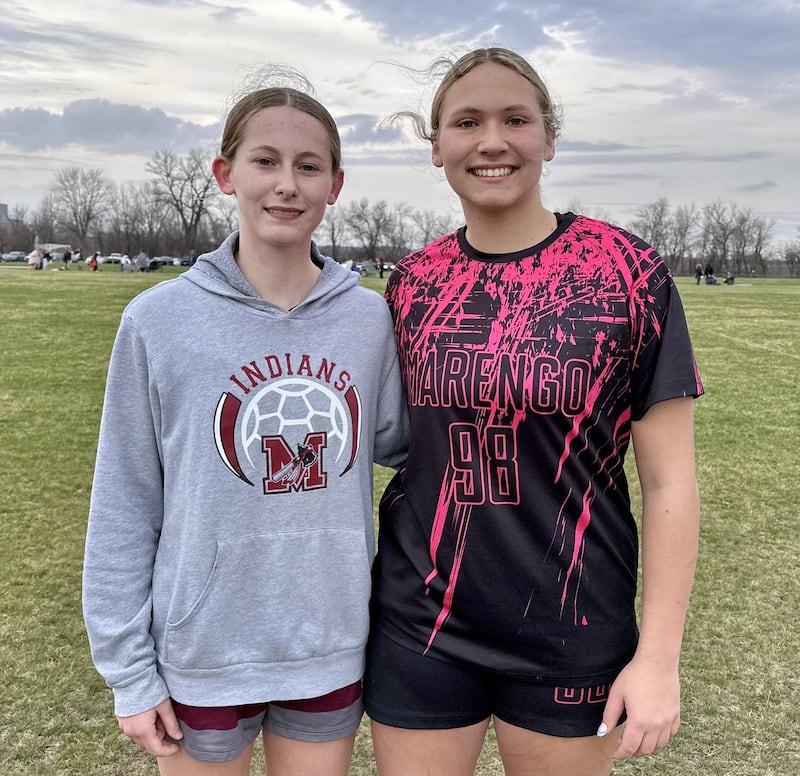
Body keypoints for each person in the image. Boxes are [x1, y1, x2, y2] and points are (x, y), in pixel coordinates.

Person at [364, 47, 703, 776]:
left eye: (515, 119)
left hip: (571, 625)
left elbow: (672, 484)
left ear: (549, 137)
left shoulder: (628, 274)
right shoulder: (412, 284)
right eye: (467, 122)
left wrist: (660, 659)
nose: (491, 141)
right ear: (438, 149)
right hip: (422, 622)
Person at [82, 76, 408, 776]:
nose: (287, 184)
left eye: (308, 166)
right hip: (202, 654)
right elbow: (123, 501)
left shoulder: (368, 321)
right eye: (266, 161)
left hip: (328, 643)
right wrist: (129, 673)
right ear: (226, 174)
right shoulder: (158, 320)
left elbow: (408, 449)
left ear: (336, 184)